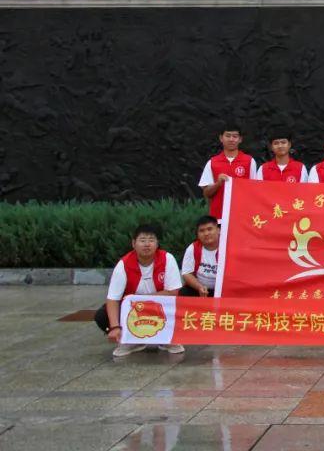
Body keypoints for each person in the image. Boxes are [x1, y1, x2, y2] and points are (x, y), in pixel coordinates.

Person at [95, 224, 184, 357]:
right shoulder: (123, 264)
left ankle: (166, 339)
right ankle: (131, 340)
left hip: (161, 307)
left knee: (183, 305)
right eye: (142, 240)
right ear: (133, 244)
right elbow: (113, 299)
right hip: (133, 310)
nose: (147, 244)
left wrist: (140, 300)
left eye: (151, 240)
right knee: (102, 315)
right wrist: (114, 327)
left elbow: (173, 293)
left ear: (157, 243)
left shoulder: (167, 259)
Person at [198, 123, 257, 219]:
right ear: (221, 138)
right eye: (228, 136)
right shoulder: (212, 162)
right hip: (218, 217)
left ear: (240, 139)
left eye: (235, 136)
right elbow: (206, 194)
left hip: (242, 217)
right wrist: (218, 184)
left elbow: (255, 191)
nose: (231, 139)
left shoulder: (249, 161)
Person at [180, 216, 220, 298]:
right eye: (202, 231)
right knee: (184, 292)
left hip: (222, 289)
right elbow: (186, 273)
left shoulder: (227, 248)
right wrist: (199, 287)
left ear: (218, 230)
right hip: (199, 288)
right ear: (197, 234)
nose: (206, 233)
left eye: (209, 229)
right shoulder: (193, 248)